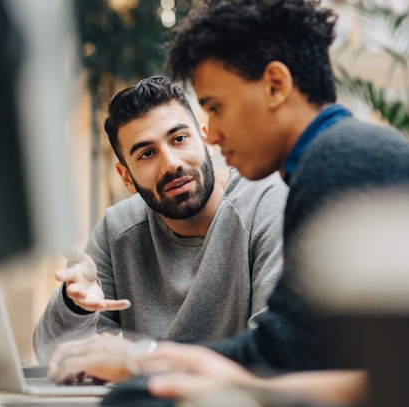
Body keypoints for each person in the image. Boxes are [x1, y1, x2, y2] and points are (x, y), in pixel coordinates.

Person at [47, 0, 409, 404]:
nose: (212, 135)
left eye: (216, 108)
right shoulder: (336, 155)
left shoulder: (340, 162)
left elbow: (282, 355)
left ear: (275, 85)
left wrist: (139, 357)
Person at [32, 76, 288, 364]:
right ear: (126, 177)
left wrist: (140, 360)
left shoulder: (267, 204)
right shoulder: (118, 229)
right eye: (147, 153)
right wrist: (74, 306)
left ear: (204, 140)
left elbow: (275, 352)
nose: (172, 163)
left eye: (179, 139)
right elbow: (50, 357)